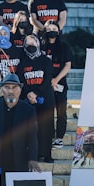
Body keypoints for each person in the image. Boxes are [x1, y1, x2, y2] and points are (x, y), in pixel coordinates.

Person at [0, 73, 41, 173]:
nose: (11, 91)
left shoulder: (28, 110)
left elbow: (32, 136)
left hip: (18, 159)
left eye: (14, 87)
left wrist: (32, 158)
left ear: (20, 90)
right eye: (7, 87)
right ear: (2, 89)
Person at [16, 33, 56, 163]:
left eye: (33, 43)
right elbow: (22, 80)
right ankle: (37, 153)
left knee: (47, 128)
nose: (31, 46)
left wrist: (37, 94)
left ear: (38, 44)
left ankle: (47, 154)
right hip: (29, 100)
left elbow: (47, 79)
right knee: (33, 129)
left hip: (46, 99)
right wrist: (29, 94)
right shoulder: (22, 63)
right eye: (28, 44)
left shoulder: (46, 60)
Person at [43, 22, 73, 147]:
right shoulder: (42, 45)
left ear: (59, 30)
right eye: (49, 29)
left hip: (60, 84)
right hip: (44, 85)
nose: (52, 31)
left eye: (54, 28)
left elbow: (67, 65)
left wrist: (56, 79)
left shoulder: (64, 46)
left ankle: (59, 137)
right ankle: (48, 136)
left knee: (61, 112)